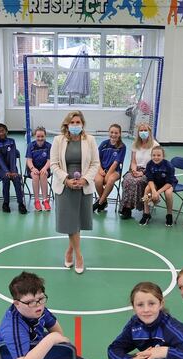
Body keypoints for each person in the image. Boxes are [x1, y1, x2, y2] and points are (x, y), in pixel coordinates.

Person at [50, 111, 100, 274]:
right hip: (65, 187)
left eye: (78, 122)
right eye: (73, 122)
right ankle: (79, 256)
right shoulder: (58, 140)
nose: (76, 125)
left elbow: (95, 163)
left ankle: (70, 251)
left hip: (83, 186)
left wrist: (85, 179)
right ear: (67, 124)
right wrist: (66, 179)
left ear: (82, 124)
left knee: (78, 222)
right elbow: (54, 164)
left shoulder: (90, 140)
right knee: (70, 222)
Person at [119, 123, 159, 220]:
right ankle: (127, 208)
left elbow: (155, 163)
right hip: (136, 169)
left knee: (138, 181)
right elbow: (133, 161)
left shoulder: (155, 145)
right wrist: (133, 170)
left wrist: (142, 173)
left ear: (149, 132)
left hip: (149, 171)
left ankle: (139, 206)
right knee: (127, 180)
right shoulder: (135, 144)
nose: (143, 132)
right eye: (141, 131)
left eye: (145, 130)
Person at [0, 123, 27, 214]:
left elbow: (13, 156)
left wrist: (13, 171)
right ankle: (5, 203)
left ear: (6, 131)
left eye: (2, 131)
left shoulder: (11, 141)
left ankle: (21, 204)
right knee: (6, 178)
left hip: (12, 167)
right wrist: (6, 171)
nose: (1, 133)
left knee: (16, 178)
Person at [138, 146, 176, 227]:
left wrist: (157, 192)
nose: (156, 157)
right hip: (155, 183)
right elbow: (150, 180)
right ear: (151, 156)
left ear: (163, 156)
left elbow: (169, 182)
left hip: (167, 184)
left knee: (168, 193)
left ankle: (169, 215)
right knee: (147, 189)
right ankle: (146, 214)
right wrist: (154, 191)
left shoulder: (168, 166)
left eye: (159, 155)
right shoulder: (149, 164)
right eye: (154, 155)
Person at [93, 124, 126, 213]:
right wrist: (100, 169)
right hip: (102, 169)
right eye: (111, 132)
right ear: (109, 133)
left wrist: (108, 175)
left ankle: (99, 203)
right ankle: (104, 202)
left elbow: (116, 163)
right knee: (98, 181)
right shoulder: (104, 144)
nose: (113, 135)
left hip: (114, 171)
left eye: (116, 133)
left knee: (110, 180)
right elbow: (97, 158)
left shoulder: (122, 146)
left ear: (119, 134)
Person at [25, 126, 52, 212]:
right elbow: (29, 160)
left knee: (43, 175)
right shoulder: (31, 146)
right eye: (38, 136)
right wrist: (33, 169)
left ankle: (45, 200)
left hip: (45, 167)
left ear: (45, 136)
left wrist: (44, 168)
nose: (40, 138)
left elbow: (49, 160)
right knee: (36, 176)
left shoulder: (48, 146)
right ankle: (36, 201)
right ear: (35, 136)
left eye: (42, 136)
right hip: (33, 168)